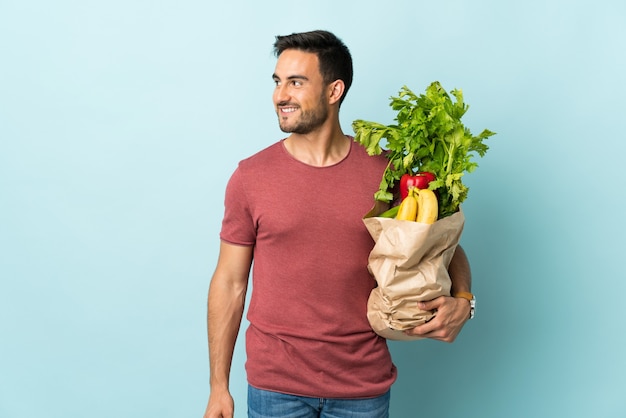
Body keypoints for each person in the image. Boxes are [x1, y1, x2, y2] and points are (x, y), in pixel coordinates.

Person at [203, 30, 474, 418]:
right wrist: (218, 387)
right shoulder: (250, 177)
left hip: (362, 386)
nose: (281, 95)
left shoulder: (386, 173)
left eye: (296, 82)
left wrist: (464, 301)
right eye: (278, 82)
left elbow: (444, 245)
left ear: (334, 91)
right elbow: (229, 283)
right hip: (275, 387)